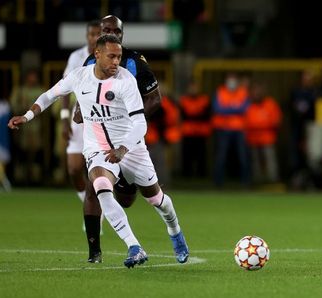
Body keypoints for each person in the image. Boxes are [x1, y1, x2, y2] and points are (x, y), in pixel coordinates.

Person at [8, 34, 188, 268]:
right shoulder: (80, 76)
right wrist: (27, 115)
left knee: (156, 199)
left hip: (130, 148)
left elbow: (140, 123)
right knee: (101, 186)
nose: (116, 62)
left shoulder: (126, 81)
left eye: (119, 57)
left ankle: (175, 232)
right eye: (112, 56)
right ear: (97, 55)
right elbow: (50, 95)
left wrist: (122, 149)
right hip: (98, 149)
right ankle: (134, 246)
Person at [75, 15, 171, 264]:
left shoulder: (135, 62)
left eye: (114, 30)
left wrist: (129, 123)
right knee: (93, 188)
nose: (110, 33)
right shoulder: (91, 60)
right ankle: (94, 252)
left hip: (128, 139)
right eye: (105, 30)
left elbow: (155, 99)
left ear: (122, 34)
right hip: (100, 138)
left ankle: (126, 183)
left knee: (128, 199)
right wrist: (78, 110)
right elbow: (83, 89)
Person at [60, 20, 101, 207]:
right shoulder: (76, 57)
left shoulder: (111, 56)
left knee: (100, 172)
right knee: (74, 169)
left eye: (97, 34)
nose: (94, 38)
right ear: (87, 36)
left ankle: (96, 209)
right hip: (79, 119)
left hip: (102, 120)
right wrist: (64, 118)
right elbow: (64, 89)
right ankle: (89, 204)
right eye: (91, 34)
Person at [212, 72, 250, 187]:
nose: (231, 82)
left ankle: (246, 183)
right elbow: (218, 109)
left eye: (233, 79)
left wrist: (227, 108)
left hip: (239, 130)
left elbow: (244, 109)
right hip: (223, 129)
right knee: (221, 157)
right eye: (229, 79)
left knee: (243, 156)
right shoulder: (220, 91)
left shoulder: (243, 92)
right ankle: (218, 183)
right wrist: (234, 108)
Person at [244, 81, 282, 184]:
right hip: (252, 138)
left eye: (259, 91)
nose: (257, 93)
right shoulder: (248, 105)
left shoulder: (270, 104)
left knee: (270, 160)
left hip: (267, 138)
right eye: (255, 91)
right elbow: (245, 122)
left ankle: (272, 180)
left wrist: (259, 125)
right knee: (255, 161)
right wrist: (260, 124)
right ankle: (257, 181)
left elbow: (276, 121)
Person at [179, 79, 211, 178]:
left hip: (201, 132)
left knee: (201, 155)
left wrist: (192, 114)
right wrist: (197, 113)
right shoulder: (184, 100)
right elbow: (184, 115)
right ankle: (187, 175)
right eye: (191, 87)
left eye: (195, 87)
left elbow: (206, 115)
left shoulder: (204, 99)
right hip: (188, 131)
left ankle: (201, 175)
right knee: (187, 155)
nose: (193, 89)